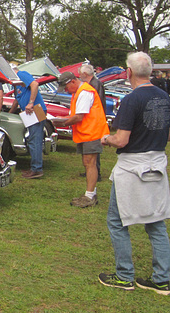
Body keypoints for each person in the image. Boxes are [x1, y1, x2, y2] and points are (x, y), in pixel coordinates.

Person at [98, 52, 170, 295]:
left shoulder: (131, 100)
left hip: (133, 166)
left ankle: (124, 275)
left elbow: (122, 139)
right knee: (156, 222)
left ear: (128, 73)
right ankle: (163, 279)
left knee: (117, 221)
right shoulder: (164, 97)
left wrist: (106, 138)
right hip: (157, 163)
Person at [52, 72, 109, 207]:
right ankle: (90, 193)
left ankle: (89, 196)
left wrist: (63, 123)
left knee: (90, 163)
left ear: (73, 81)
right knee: (88, 163)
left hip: (92, 132)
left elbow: (79, 117)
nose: (66, 91)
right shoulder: (80, 92)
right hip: (87, 132)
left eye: (66, 87)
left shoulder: (85, 92)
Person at [9, 65, 48, 178]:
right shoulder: (17, 85)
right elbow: (17, 100)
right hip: (30, 113)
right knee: (32, 139)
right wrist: (10, 113)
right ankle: (35, 167)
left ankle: (37, 169)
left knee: (35, 140)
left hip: (35, 110)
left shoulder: (21, 74)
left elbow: (35, 84)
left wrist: (31, 103)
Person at [79, 64, 106, 180]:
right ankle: (90, 170)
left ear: (85, 74)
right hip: (92, 119)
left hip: (95, 120)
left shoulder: (95, 84)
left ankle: (96, 172)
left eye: (80, 74)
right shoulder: (92, 83)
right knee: (90, 148)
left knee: (94, 148)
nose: (79, 76)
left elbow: (96, 102)